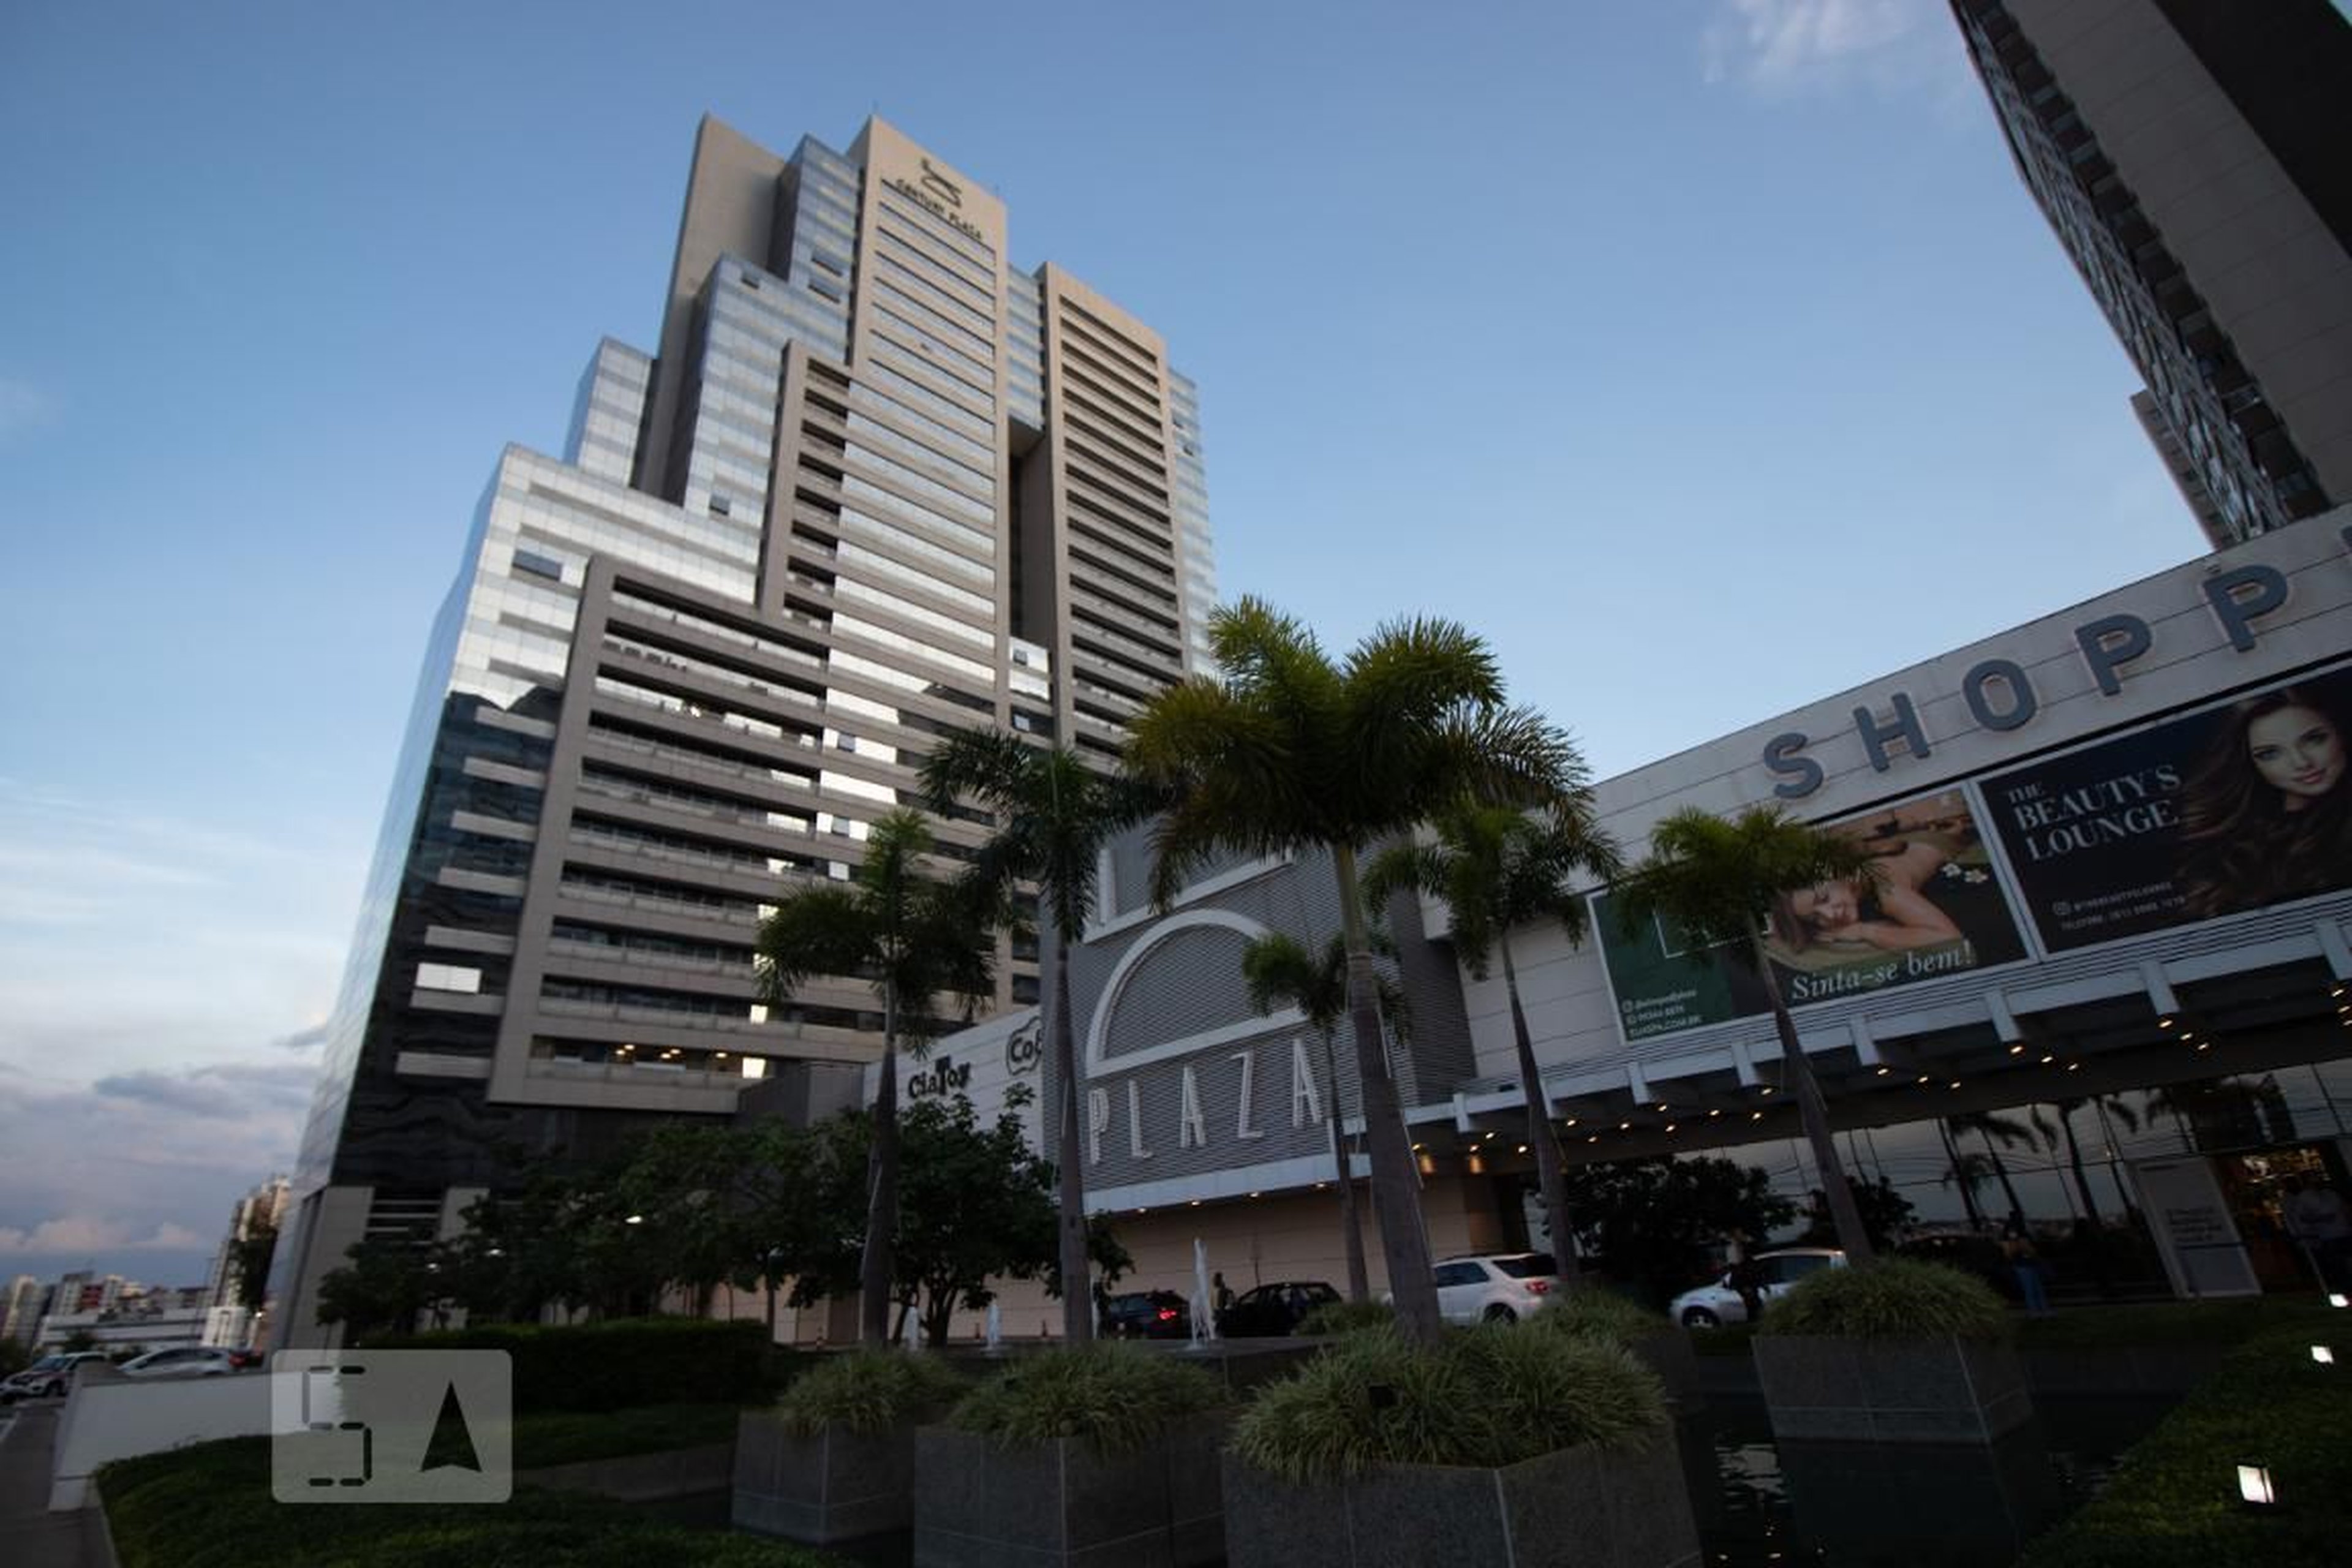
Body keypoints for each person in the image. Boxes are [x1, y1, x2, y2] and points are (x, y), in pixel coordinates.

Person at [2176, 685, 2352, 921]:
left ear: (2340, 733)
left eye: (2313, 739)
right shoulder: (2234, 848)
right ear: (2251, 764)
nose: (2301, 762)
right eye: (2270, 754)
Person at [1768, 802, 1972, 957]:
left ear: (1834, 873)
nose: (1829, 916)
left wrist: (1866, 932)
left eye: (1824, 899)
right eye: (1815, 918)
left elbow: (1950, 941)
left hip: (1943, 840)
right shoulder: (1854, 882)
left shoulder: (1883, 889)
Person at [2283, 1175, 2352, 1292]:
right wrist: (2319, 1220)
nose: (2315, 1182)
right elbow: (2301, 1218)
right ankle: (2343, 1288)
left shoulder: (2330, 1194)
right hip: (2328, 1235)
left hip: (2342, 1232)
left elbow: (2345, 1208)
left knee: (2345, 1261)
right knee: (2336, 1265)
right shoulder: (2303, 1197)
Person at [2001, 1214, 2049, 1316]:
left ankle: (2037, 1311)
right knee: (2034, 1289)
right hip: (2024, 1264)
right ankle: (2039, 1310)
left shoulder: (2011, 1233)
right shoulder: (2019, 1233)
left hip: (2023, 1264)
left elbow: (2010, 1251)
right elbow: (2018, 1250)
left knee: (2032, 1289)